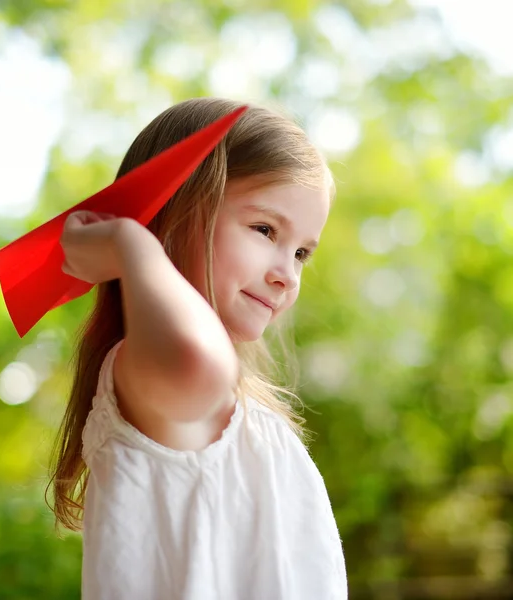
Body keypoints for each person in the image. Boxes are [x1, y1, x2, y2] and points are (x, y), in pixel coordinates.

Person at [48, 97, 348, 599]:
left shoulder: (242, 411)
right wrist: (131, 243)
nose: (287, 274)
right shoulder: (150, 372)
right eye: (265, 230)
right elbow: (198, 363)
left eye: (301, 253)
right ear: (175, 211)